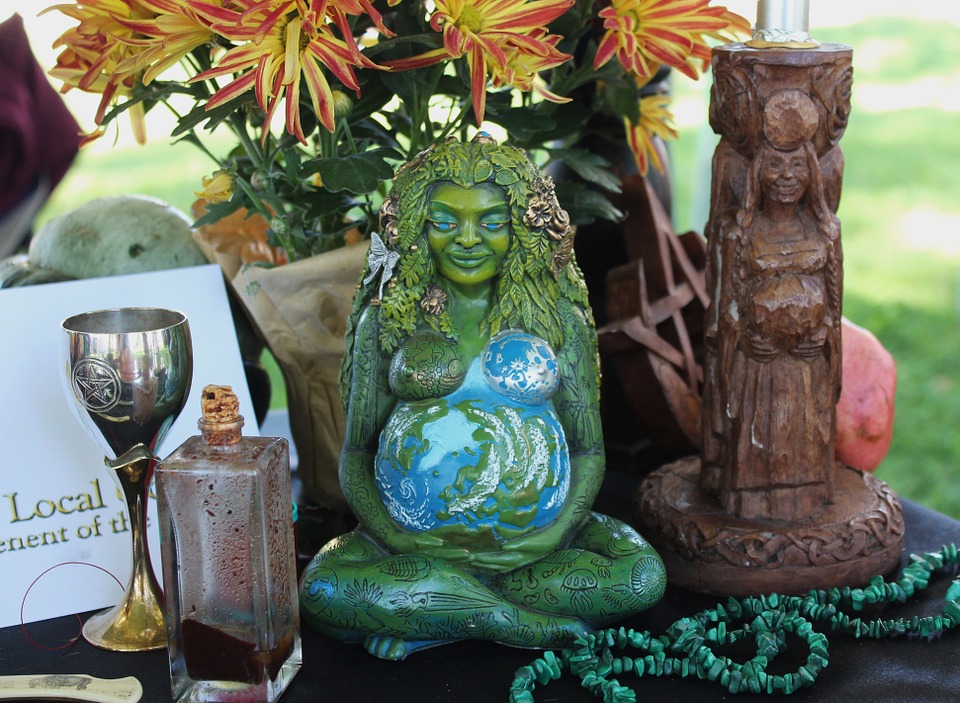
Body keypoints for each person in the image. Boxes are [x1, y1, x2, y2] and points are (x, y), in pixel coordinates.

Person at [300, 135, 665, 660]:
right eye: (445, 223)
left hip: (533, 552)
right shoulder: (386, 318)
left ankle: (434, 612)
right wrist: (395, 539)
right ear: (418, 227)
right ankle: (518, 624)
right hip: (411, 545)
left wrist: (553, 535)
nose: (468, 240)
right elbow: (356, 455)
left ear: (523, 226)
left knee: (640, 575)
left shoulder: (558, 319)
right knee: (322, 589)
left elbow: (588, 451)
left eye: (492, 223)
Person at [704, 91, 842, 521]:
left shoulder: (825, 232)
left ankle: (808, 494)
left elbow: (835, 305)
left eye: (798, 166)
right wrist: (744, 336)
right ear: (758, 174)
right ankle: (750, 501)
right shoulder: (740, 233)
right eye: (775, 167)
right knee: (759, 438)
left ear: (813, 175)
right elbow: (724, 305)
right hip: (755, 367)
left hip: (804, 366)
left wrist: (823, 337)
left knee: (799, 436)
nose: (786, 178)